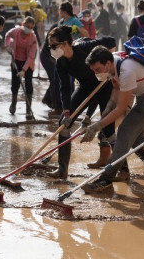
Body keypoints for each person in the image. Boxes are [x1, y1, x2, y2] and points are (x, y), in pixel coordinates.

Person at [80, 46, 144, 193]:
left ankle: (105, 179)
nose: (96, 73)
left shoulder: (126, 71)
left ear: (107, 63)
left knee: (124, 131)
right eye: (94, 70)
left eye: (97, 69)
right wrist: (108, 107)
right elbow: (117, 89)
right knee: (138, 139)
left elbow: (121, 109)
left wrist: (96, 126)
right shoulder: (114, 63)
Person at [47, 26, 117, 178]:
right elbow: (64, 88)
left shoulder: (85, 47)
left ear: (65, 43)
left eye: (54, 45)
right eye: (50, 46)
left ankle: (122, 170)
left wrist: (108, 67)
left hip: (103, 86)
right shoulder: (61, 63)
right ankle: (62, 169)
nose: (52, 49)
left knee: (108, 128)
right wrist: (66, 112)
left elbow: (111, 41)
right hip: (85, 87)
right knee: (64, 124)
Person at [5, 16, 38, 120]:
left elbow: (31, 56)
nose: (29, 29)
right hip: (16, 61)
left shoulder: (33, 38)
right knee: (15, 84)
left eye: (31, 27)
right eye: (27, 26)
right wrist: (8, 46)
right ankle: (13, 103)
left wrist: (24, 70)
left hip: (28, 63)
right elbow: (7, 35)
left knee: (28, 84)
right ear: (23, 24)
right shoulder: (16, 31)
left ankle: (28, 110)